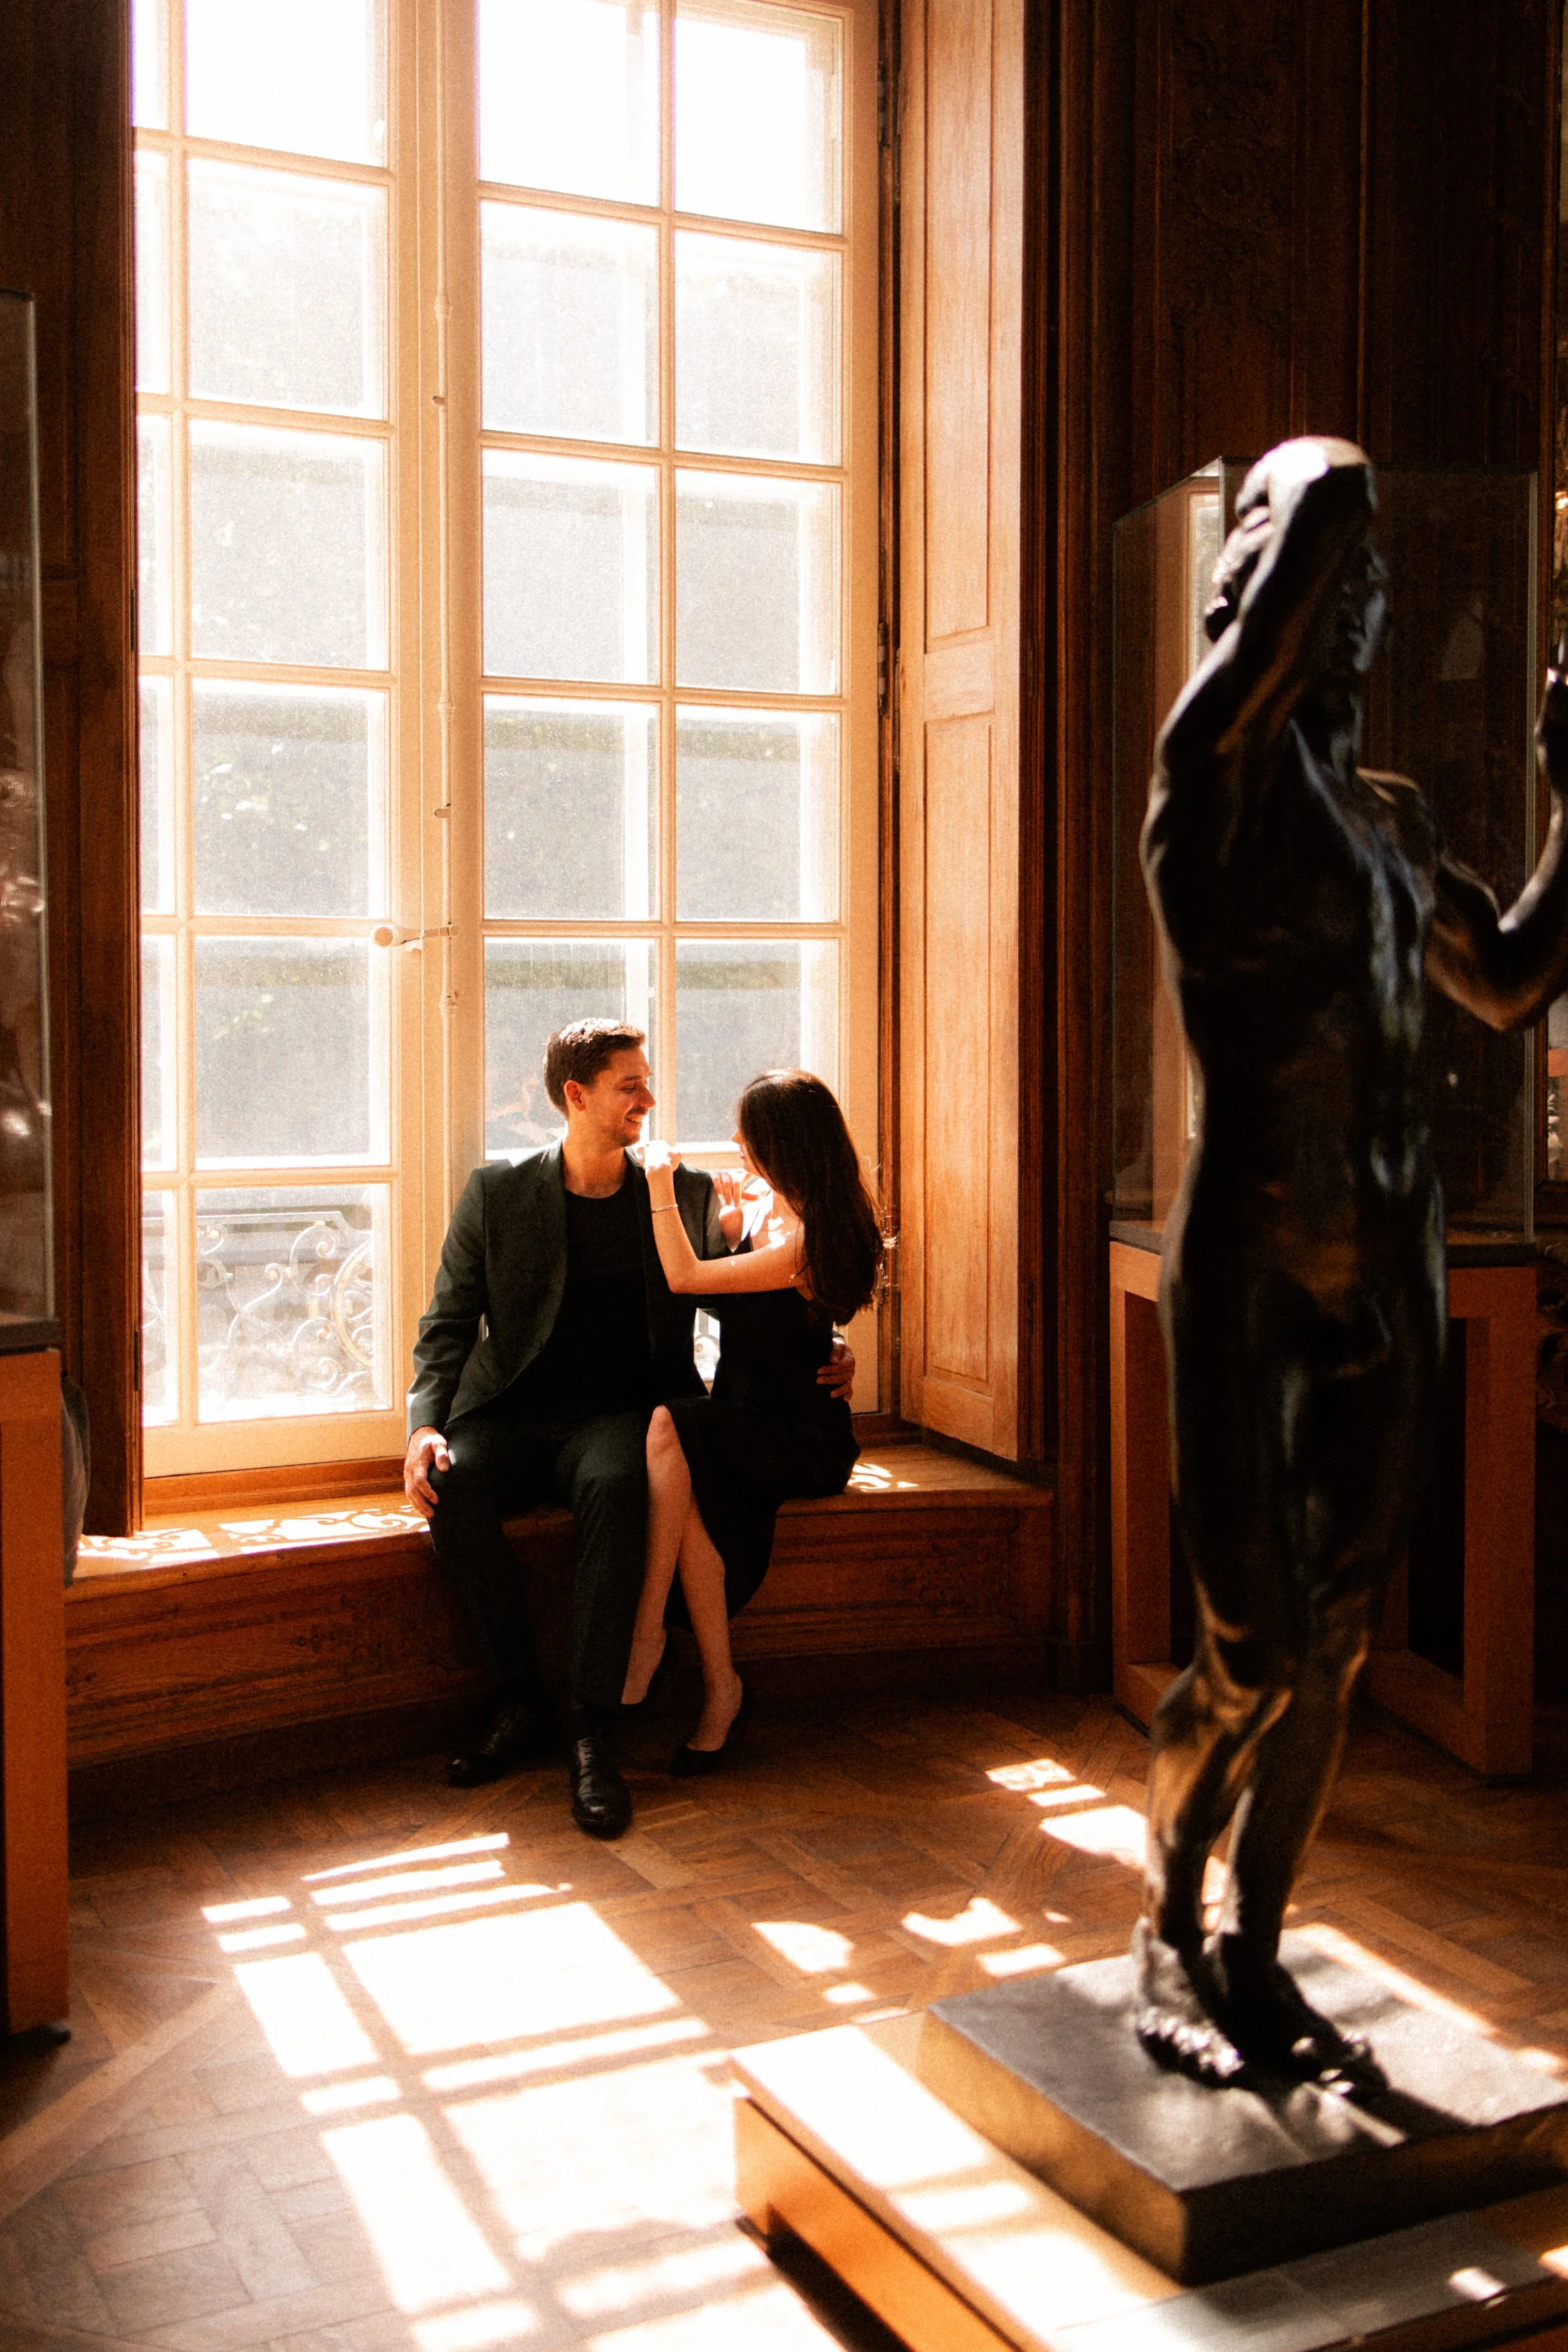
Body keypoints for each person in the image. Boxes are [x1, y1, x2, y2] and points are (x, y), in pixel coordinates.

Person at [1135, 435, 1568, 2085]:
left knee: (1333, 1643)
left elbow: (1510, 979)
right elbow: (1315, 512)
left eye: (1374, 575)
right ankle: (1168, 1921)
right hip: (1248, 1260)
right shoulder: (1212, 783)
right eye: (1342, 568)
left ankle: (1254, 1948)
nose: (1364, 591)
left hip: (1390, 1258)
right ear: (1261, 580)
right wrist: (1327, 486)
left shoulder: (1390, 821)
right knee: (1245, 1644)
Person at [404, 1020, 854, 1839]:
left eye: (647, 1080)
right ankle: (519, 1701)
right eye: (629, 1084)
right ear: (576, 1096)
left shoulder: (682, 1191)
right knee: (448, 1484)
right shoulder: (496, 1194)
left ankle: (593, 1730)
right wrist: (423, 1427)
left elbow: (759, 1291)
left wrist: (827, 1345)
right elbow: (447, 1325)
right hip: (512, 1412)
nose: (648, 1096)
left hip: (625, 1415)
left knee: (621, 1487)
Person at [619, 1069, 883, 1773]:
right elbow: (764, 1315)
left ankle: (646, 1633)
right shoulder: (766, 1203)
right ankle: (723, 1689)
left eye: (750, 1131)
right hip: (745, 1416)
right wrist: (733, 1233)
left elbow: (686, 1279)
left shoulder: (813, 1238)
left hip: (798, 1435)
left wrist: (658, 1183)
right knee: (689, 1512)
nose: (736, 1139)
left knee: (668, 1426)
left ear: (784, 1143)